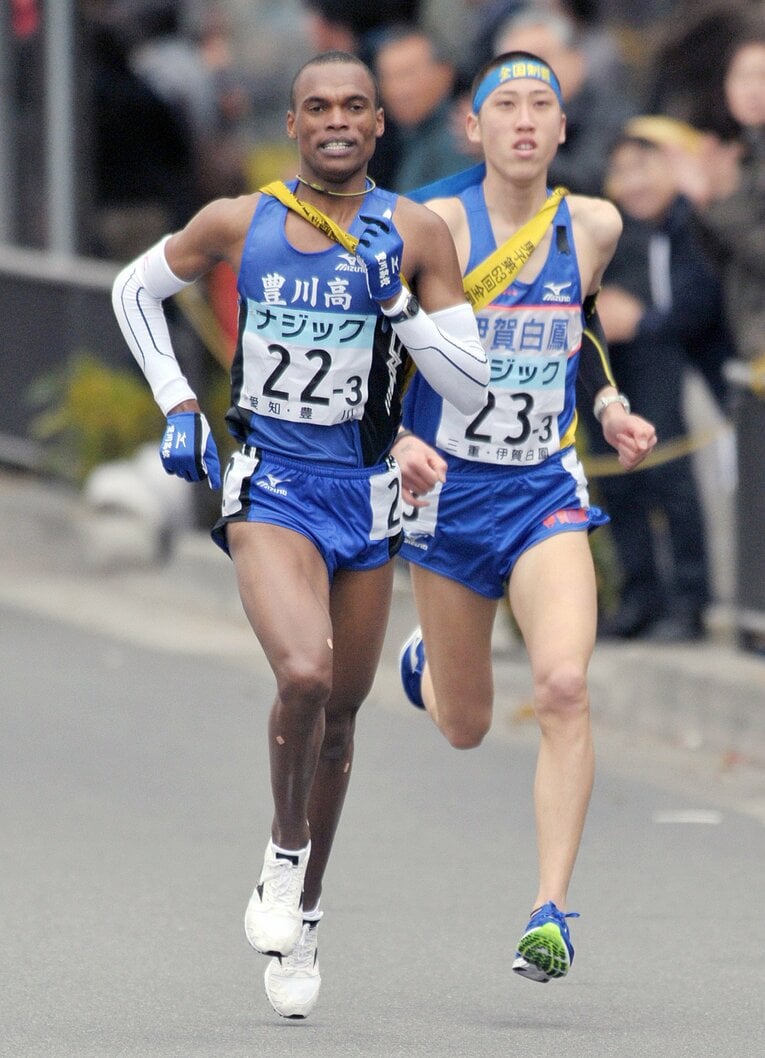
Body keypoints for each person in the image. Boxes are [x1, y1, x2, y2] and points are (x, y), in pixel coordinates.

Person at [112, 50, 489, 1020]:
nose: (335, 120)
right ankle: (282, 858)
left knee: (343, 718)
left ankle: (306, 910)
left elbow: (473, 385)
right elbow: (132, 290)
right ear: (293, 124)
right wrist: (180, 401)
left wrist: (398, 302)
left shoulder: (416, 233)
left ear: (376, 126)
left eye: (354, 107)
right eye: (316, 105)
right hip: (272, 484)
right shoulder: (244, 219)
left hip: (364, 496)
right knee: (307, 675)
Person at [394, 50, 656, 983]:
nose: (522, 119)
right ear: (473, 128)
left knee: (561, 688)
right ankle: (427, 662)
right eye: (503, 104)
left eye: (540, 104)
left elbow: (576, 328)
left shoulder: (592, 223)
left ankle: (548, 912)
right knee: (465, 726)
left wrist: (608, 406)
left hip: (543, 490)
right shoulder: (428, 225)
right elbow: (381, 351)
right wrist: (394, 442)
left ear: (558, 128)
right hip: (449, 501)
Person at [592, 117, 732, 642]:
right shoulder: (606, 227)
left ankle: (691, 600)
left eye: (646, 166)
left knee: (672, 477)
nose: (633, 182)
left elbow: (700, 299)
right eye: (621, 170)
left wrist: (643, 321)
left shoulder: (691, 222)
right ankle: (639, 595)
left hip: (674, 361)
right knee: (618, 481)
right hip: (616, 368)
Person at [493, 7, 638, 195]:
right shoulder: (497, 120)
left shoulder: (615, 113)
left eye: (539, 60)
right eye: (513, 67)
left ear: (575, 59)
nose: (527, 75)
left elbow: (591, 182)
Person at [374, 25, 479, 192]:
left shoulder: (460, 137)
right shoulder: (403, 136)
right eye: (387, 78)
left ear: (445, 72)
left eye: (407, 75)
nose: (397, 90)